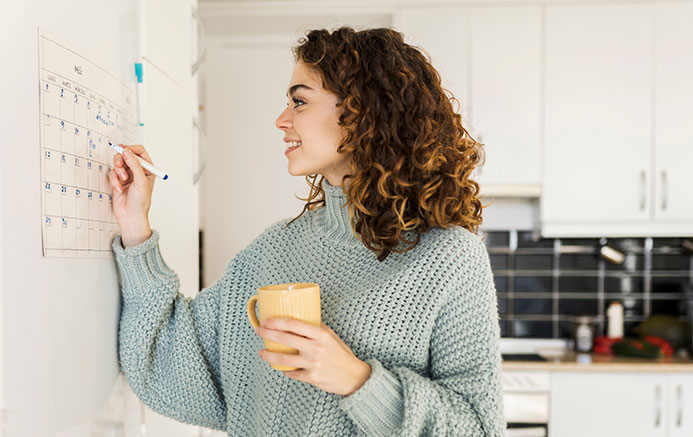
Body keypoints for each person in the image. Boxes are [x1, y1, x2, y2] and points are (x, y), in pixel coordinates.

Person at [109, 27, 504, 436]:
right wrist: (136, 226)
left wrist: (357, 381)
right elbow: (169, 360)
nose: (282, 120)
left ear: (363, 112)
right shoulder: (274, 249)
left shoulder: (451, 258)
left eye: (299, 101)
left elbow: (477, 428)